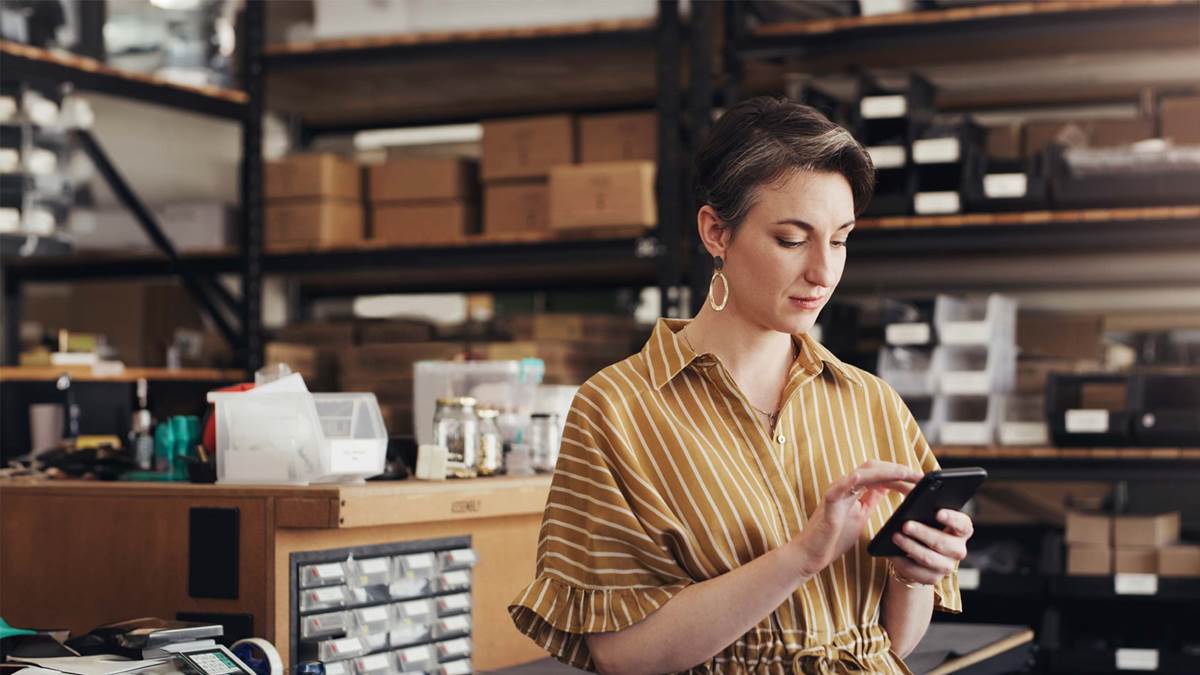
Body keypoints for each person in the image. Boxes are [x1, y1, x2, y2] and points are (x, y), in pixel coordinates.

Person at [508, 97, 974, 674]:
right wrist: (799, 559)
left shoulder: (870, 403)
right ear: (716, 233)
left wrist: (913, 574)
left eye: (840, 239)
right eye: (791, 239)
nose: (824, 273)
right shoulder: (616, 411)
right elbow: (621, 656)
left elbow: (890, 645)